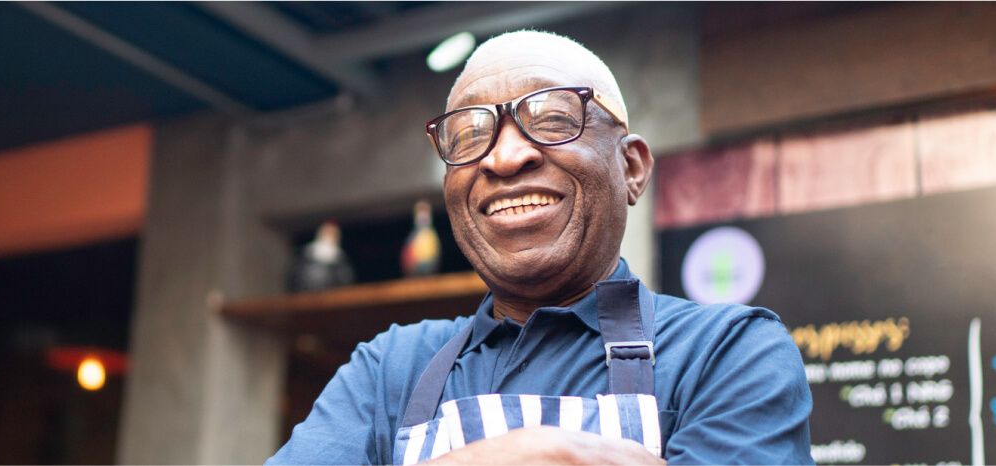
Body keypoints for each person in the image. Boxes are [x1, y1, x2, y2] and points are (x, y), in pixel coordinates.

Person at [267, 31, 813, 465]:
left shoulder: (727, 353)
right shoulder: (389, 369)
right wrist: (544, 455)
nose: (503, 158)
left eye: (552, 119)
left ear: (631, 167)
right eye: (468, 135)